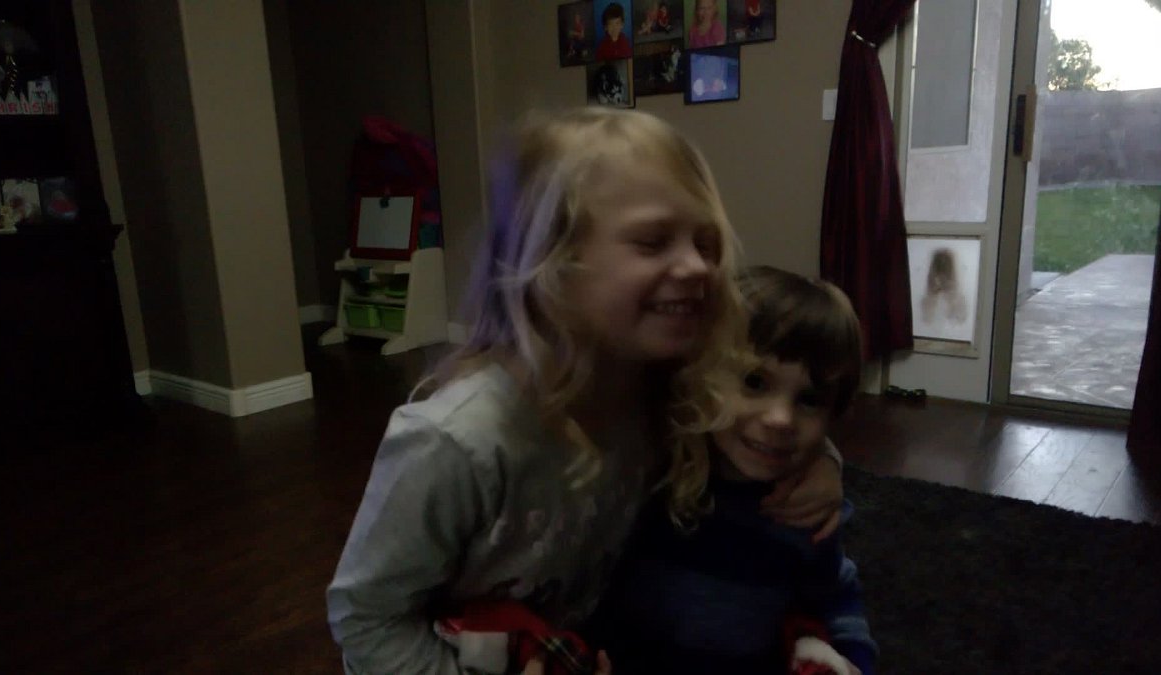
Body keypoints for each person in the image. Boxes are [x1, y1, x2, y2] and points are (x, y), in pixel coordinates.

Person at [326, 109, 843, 675]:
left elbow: (754, 420)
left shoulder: (660, 390)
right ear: (554, 263)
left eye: (706, 242)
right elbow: (364, 618)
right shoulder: (454, 442)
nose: (699, 266)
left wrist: (823, 464)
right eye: (653, 241)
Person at [593, 266, 876, 675]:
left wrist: (853, 661)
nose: (780, 418)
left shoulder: (804, 512)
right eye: (754, 382)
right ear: (699, 373)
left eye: (809, 399)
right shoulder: (655, 464)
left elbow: (835, 597)